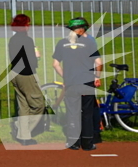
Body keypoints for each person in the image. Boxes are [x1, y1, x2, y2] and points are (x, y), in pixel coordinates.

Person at [52, 17, 103, 150]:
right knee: (87, 113)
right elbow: (98, 62)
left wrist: (66, 76)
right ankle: (87, 143)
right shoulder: (89, 43)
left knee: (72, 113)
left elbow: (55, 64)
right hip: (87, 82)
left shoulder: (62, 43)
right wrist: (97, 77)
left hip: (71, 83)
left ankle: (73, 142)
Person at [8, 14, 45, 145]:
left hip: (14, 73)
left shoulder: (12, 40)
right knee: (38, 104)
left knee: (23, 106)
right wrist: (37, 56)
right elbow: (31, 60)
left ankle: (24, 137)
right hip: (26, 74)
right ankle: (22, 130)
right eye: (28, 24)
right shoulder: (27, 40)